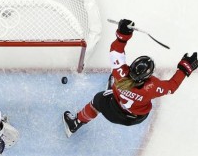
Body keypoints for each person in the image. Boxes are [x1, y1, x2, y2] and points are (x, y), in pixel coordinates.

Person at [63, 19, 198, 138]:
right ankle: (114, 91)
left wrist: (123, 34)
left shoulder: (120, 72)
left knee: (98, 100)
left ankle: (76, 123)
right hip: (136, 118)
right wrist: (185, 67)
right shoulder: (152, 88)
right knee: (115, 87)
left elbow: (116, 50)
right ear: (147, 77)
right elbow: (171, 87)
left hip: (113, 110)